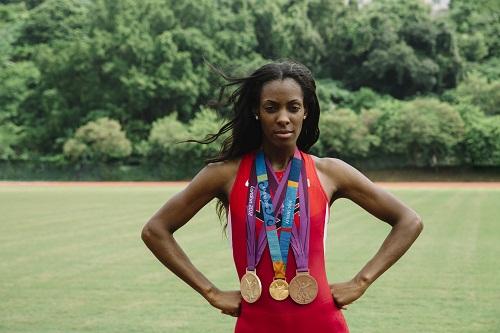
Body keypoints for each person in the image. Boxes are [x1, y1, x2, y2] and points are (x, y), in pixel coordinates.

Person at [141, 60, 423, 332]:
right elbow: (155, 230)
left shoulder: (330, 173)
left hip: (321, 323)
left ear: (306, 112)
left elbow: (408, 221)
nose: (283, 118)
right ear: (256, 111)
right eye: (271, 108)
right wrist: (210, 292)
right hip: (256, 324)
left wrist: (361, 281)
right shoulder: (225, 174)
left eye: (293, 107)